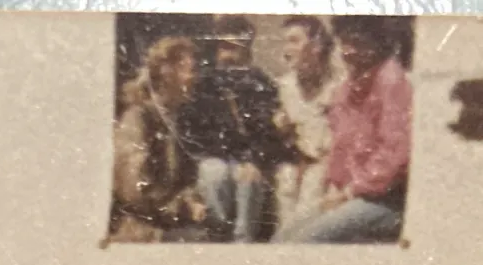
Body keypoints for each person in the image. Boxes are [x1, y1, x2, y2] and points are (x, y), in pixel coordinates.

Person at [276, 20, 411, 245]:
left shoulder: (392, 81)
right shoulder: (347, 88)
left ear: (378, 43)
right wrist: (335, 188)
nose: (349, 51)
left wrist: (349, 192)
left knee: (307, 240)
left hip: (384, 200)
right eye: (345, 43)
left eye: (357, 43)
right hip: (351, 193)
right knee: (284, 235)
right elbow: (340, 148)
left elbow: (394, 154)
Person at [178, 17, 285, 245]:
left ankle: (243, 242)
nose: (227, 55)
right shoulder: (204, 84)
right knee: (216, 174)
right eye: (223, 47)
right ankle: (217, 238)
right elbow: (194, 134)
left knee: (250, 179)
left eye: (234, 48)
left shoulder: (262, 83)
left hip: (247, 161)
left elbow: (268, 131)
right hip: (213, 158)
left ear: (247, 48)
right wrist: (227, 155)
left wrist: (254, 160)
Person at [110, 34, 206, 244]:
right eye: (190, 71)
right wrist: (181, 206)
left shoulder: (178, 120)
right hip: (141, 231)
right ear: (167, 73)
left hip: (171, 225)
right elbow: (134, 188)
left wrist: (191, 200)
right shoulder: (137, 118)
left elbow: (187, 179)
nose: (195, 78)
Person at [273, 18, 340, 234]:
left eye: (294, 41)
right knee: (287, 177)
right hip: (294, 165)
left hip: (327, 167)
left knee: (314, 183)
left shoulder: (338, 87)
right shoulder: (284, 87)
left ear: (316, 46)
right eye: (285, 42)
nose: (286, 50)